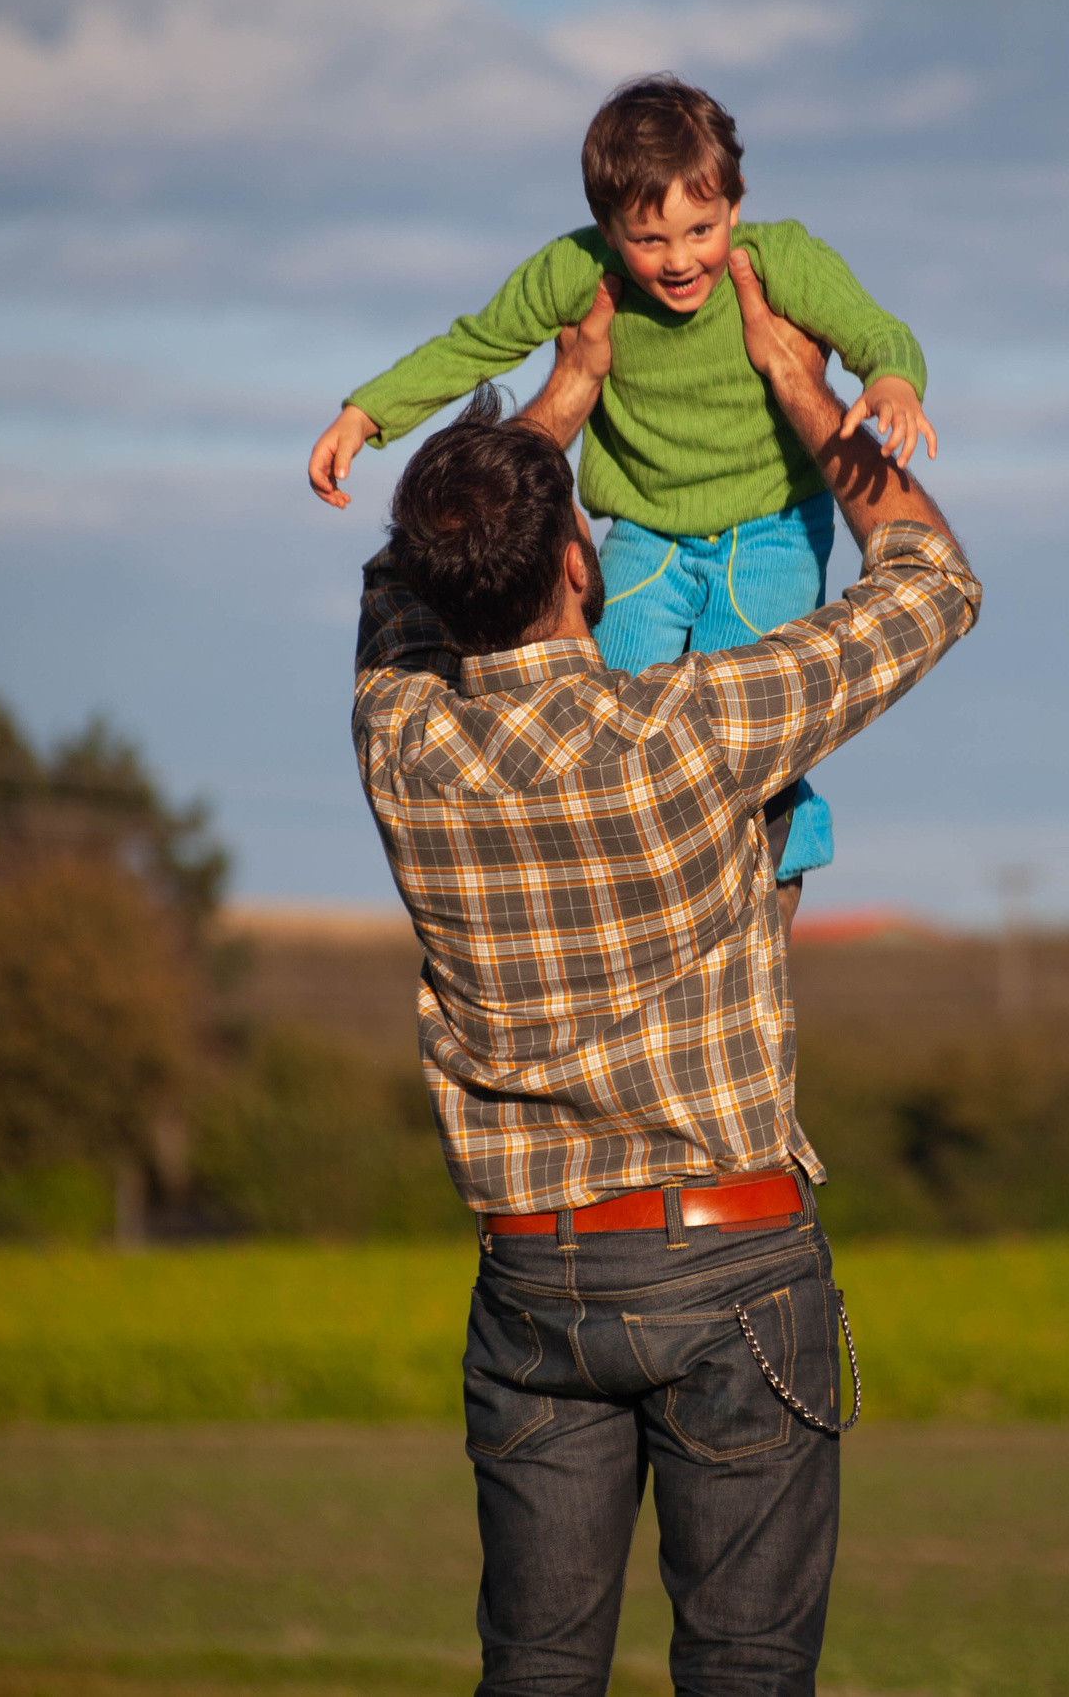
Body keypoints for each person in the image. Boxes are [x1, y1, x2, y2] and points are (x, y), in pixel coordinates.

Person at [350, 241, 978, 1697]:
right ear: (585, 561)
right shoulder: (692, 726)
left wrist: (558, 397)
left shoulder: (402, 740)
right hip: (731, 1259)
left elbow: (402, 579)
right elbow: (933, 582)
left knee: (536, 1673)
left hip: (531, 1275)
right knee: (747, 1673)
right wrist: (812, 402)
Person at [317, 74, 938, 917]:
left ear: (735, 203)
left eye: (701, 230)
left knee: (745, 700)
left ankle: (784, 846)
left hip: (771, 527)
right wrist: (368, 412)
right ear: (608, 229)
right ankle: (625, 874)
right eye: (650, 239)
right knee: (610, 696)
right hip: (647, 529)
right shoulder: (577, 270)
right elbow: (478, 344)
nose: (681, 260)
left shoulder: (782, 257)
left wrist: (894, 381)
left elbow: (875, 329)